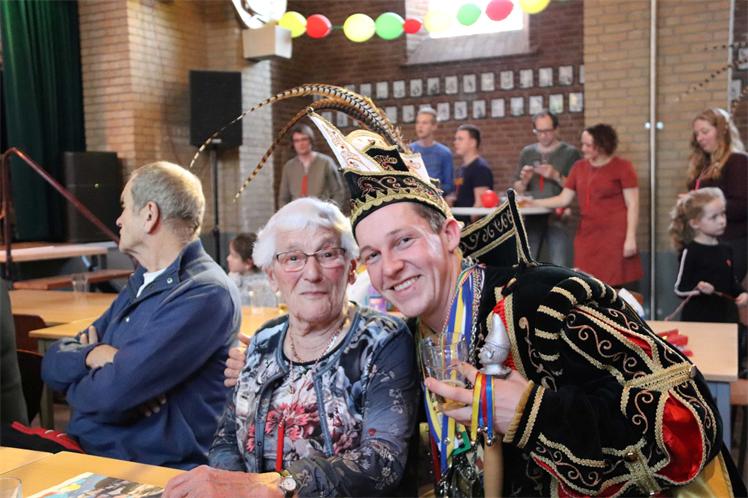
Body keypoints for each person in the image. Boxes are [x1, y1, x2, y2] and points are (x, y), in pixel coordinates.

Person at [228, 102, 741, 497]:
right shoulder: (414, 336)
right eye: (373, 255)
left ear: (449, 234)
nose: (391, 267)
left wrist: (533, 412)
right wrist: (286, 367)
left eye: (404, 241)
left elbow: (690, 418)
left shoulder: (544, 303)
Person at [165, 197, 418, 498]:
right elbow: (227, 439)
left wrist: (278, 486)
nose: (312, 273)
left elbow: (382, 461)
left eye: (327, 254)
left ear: (351, 268)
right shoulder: (264, 340)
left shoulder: (381, 340)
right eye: (293, 258)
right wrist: (235, 486)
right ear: (272, 276)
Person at [39, 161, 242, 469]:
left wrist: (78, 384)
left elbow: (113, 395)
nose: (118, 220)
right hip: (89, 455)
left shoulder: (206, 292)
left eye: (124, 207)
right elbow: (51, 363)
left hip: (153, 469)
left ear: (149, 215)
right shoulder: (141, 280)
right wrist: (93, 355)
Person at [529, 123, 643, 288]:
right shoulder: (579, 167)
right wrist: (533, 202)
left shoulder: (623, 167)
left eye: (588, 145)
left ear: (602, 145)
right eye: (583, 144)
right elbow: (564, 198)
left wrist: (630, 237)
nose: (583, 149)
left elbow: (633, 204)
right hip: (587, 235)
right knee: (588, 283)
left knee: (618, 284)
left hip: (615, 236)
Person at [669, 188, 748, 357]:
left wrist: (742, 294)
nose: (722, 221)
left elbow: (731, 281)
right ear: (695, 223)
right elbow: (680, 289)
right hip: (700, 322)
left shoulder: (726, 248)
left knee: (726, 361)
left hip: (726, 320)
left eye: (723, 214)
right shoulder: (690, 251)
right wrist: (699, 289)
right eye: (714, 217)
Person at [514, 110, 582, 266]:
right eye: (539, 131)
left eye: (548, 131)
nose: (543, 135)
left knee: (559, 264)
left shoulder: (569, 153)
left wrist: (555, 175)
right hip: (532, 216)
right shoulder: (527, 153)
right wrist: (524, 181)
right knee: (528, 263)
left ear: (556, 129)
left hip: (558, 216)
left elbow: (577, 187)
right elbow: (518, 189)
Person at [688, 108, 747, 283]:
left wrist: (706, 206)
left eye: (705, 132)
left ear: (722, 131)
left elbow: (743, 206)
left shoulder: (737, 161)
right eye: (697, 134)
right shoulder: (704, 166)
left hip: (732, 242)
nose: (699, 138)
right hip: (707, 242)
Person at [278, 124, 347, 209]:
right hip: (296, 214)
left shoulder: (325, 163)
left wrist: (329, 211)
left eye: (304, 139)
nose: (301, 144)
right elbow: (283, 198)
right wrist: (287, 214)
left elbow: (338, 192)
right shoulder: (289, 167)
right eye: (296, 141)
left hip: (321, 212)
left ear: (310, 140)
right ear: (293, 144)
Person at [451, 124, 493, 225]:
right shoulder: (461, 169)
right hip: (460, 224)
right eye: (455, 139)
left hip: (470, 227)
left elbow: (480, 204)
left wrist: (471, 227)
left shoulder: (480, 168)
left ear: (473, 143)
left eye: (460, 139)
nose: (455, 142)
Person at [410, 107, 454, 196]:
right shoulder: (409, 150)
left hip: (437, 199)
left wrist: (430, 190)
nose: (420, 126)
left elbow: (449, 185)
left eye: (424, 123)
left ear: (434, 126)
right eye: (418, 122)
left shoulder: (444, 153)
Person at [226, 232, 270, 306]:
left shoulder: (262, 288)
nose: (228, 258)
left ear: (248, 263)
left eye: (234, 256)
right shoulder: (233, 276)